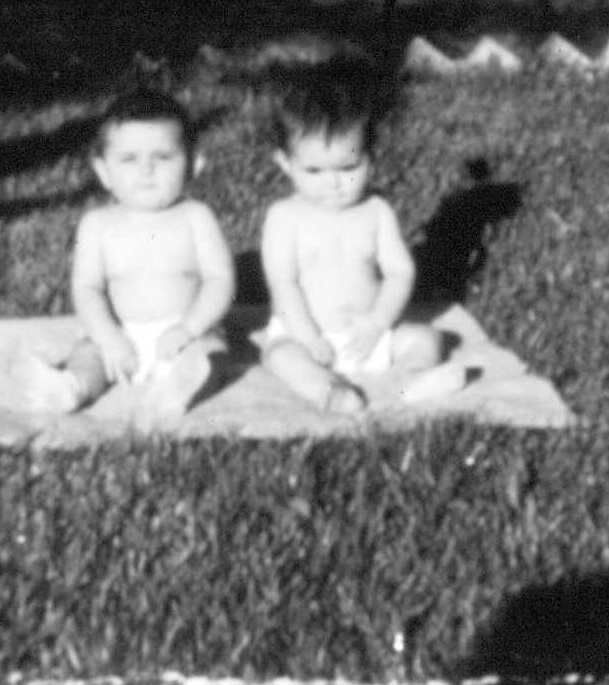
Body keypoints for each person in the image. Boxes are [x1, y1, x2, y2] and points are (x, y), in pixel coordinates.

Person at [260, 67, 466, 414]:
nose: (333, 183)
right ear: (285, 163)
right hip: (305, 335)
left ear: (370, 158)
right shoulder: (284, 217)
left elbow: (400, 271)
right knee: (281, 357)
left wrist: (378, 322)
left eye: (348, 168)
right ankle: (327, 391)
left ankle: (414, 378)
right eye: (314, 170)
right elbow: (283, 284)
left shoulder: (376, 212)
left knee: (425, 338)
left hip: (370, 335)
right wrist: (308, 336)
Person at [33, 87, 235, 422]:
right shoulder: (96, 225)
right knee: (88, 354)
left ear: (193, 164)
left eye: (163, 158)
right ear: (103, 172)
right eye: (129, 159)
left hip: (186, 333)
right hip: (120, 334)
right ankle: (72, 387)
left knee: (210, 355)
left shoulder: (197, 217)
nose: (146, 171)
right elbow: (86, 288)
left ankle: (178, 388)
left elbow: (221, 280)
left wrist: (189, 329)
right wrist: (108, 337)